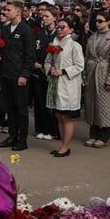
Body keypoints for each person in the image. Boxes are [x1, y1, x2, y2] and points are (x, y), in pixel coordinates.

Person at [0, 0, 35, 151]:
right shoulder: (5, 29)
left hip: (19, 76)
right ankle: (12, 136)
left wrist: (25, 74)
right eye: (5, 10)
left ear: (18, 12)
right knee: (10, 108)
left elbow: (30, 56)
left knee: (21, 110)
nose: (5, 12)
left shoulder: (26, 30)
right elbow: (4, 50)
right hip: (7, 73)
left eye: (8, 10)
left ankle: (22, 140)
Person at [44, 16, 84, 157]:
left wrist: (62, 71)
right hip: (55, 83)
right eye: (58, 27)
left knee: (66, 116)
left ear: (71, 30)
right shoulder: (53, 44)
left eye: (63, 27)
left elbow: (80, 65)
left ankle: (65, 147)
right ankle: (63, 144)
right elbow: (47, 60)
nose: (59, 30)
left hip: (68, 85)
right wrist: (50, 69)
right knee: (58, 115)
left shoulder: (74, 46)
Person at [83, 11, 110, 148]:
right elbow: (87, 56)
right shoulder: (92, 37)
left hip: (104, 73)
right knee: (92, 103)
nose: (97, 23)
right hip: (92, 72)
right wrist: (85, 73)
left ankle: (104, 135)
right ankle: (93, 133)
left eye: (100, 21)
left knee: (105, 105)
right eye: (96, 21)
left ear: (108, 22)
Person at [32, 9, 59, 141]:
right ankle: (40, 128)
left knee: (50, 103)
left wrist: (46, 66)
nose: (44, 19)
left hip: (51, 73)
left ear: (54, 18)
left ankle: (52, 130)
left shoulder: (57, 35)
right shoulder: (40, 34)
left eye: (47, 16)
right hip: (38, 73)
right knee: (39, 102)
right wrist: (35, 62)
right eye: (43, 17)